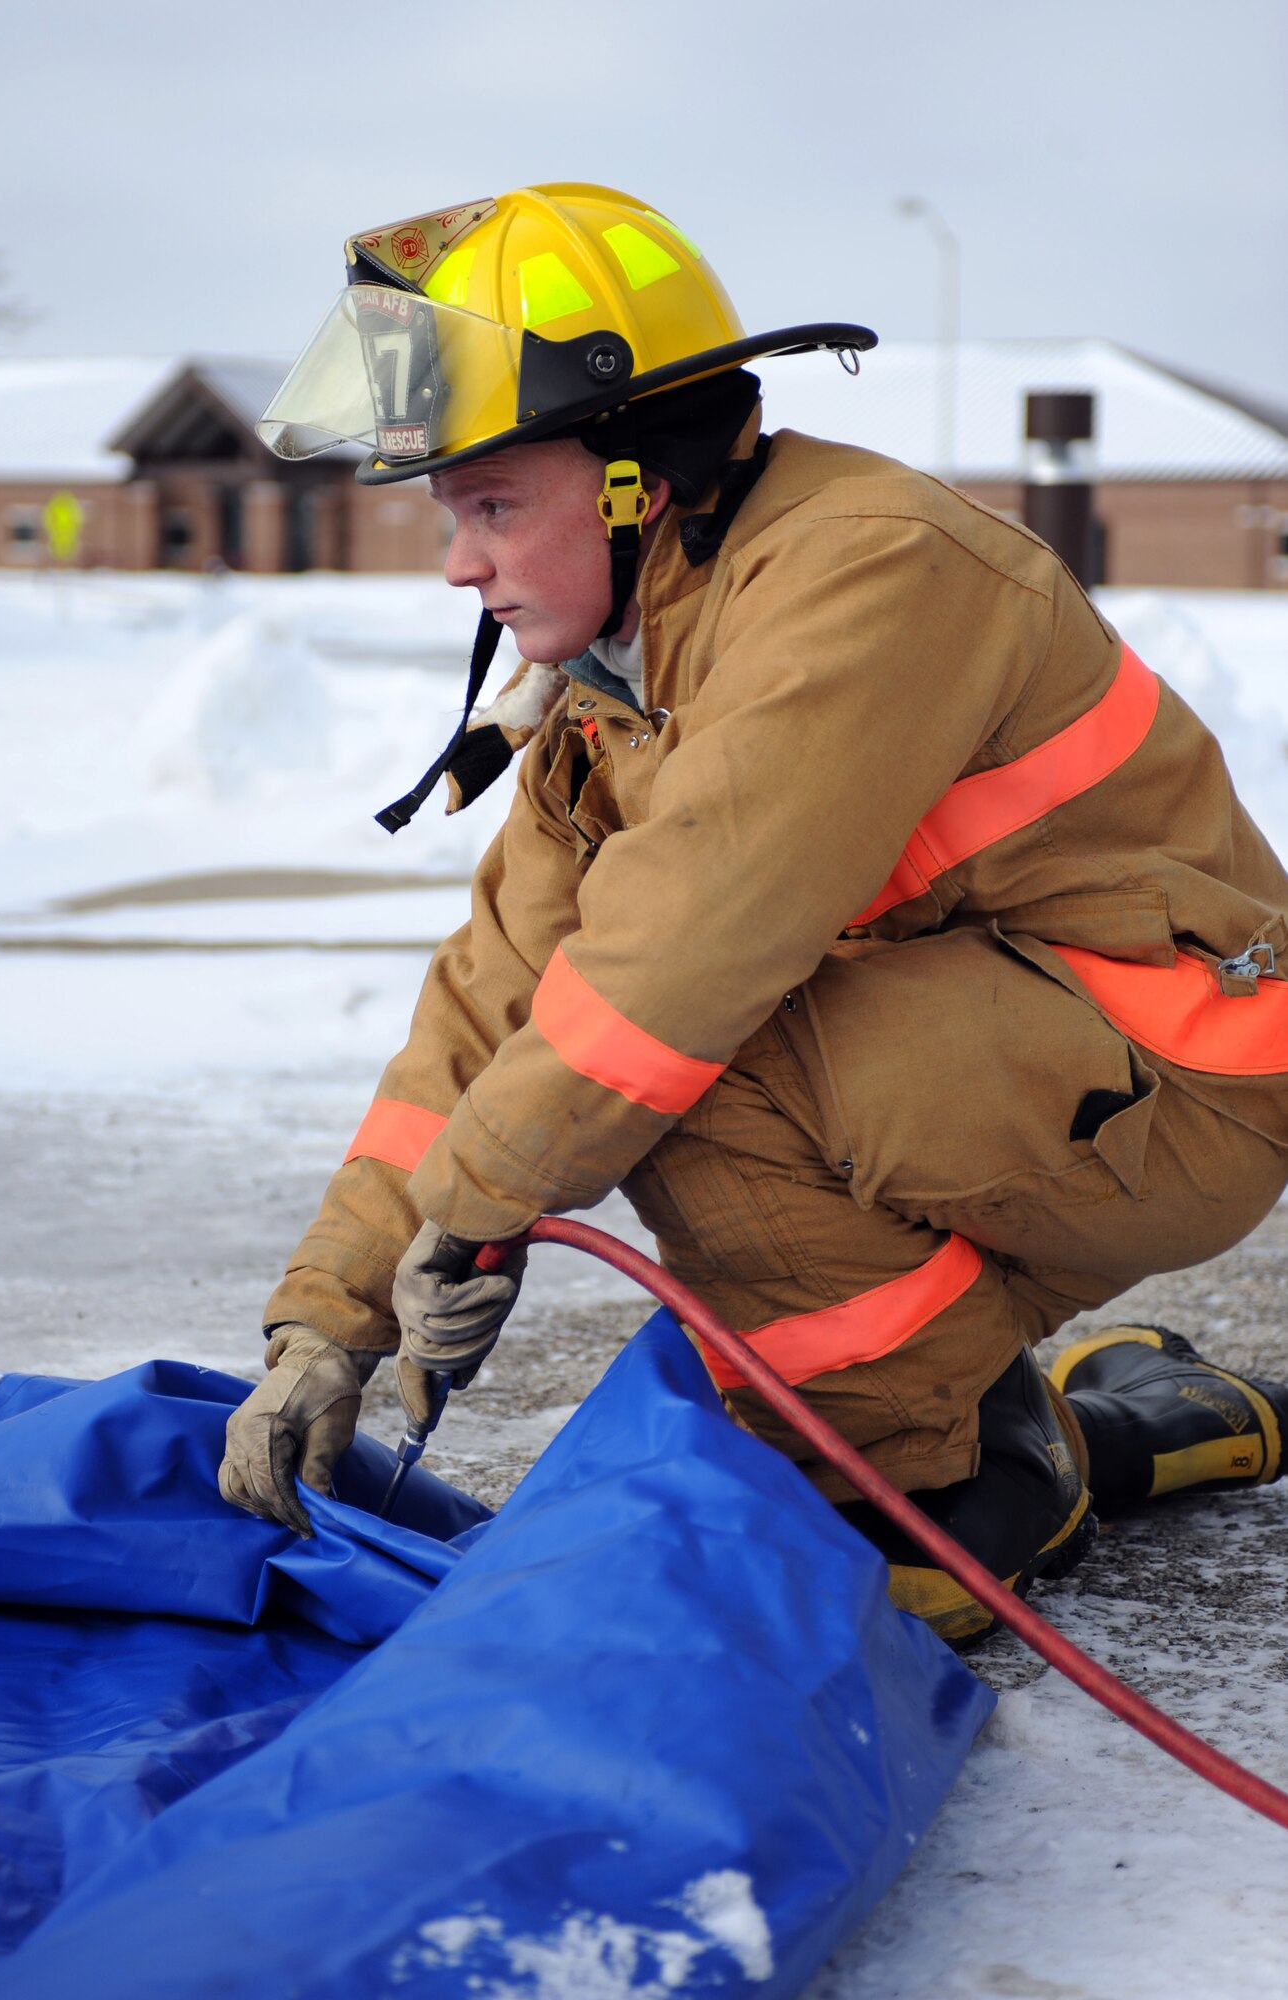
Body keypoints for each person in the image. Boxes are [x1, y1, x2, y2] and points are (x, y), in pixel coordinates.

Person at [220, 183, 1288, 1645]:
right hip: (1025, 1067)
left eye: (487, 506)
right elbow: (489, 1004)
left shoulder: (858, 571)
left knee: (672, 1064)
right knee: (602, 1059)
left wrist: (476, 1219)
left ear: (625, 481)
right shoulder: (617, 684)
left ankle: (922, 1493)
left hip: (1181, 1078)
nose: (457, 565)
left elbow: (673, 965)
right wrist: (326, 1322)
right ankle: (1039, 1434)